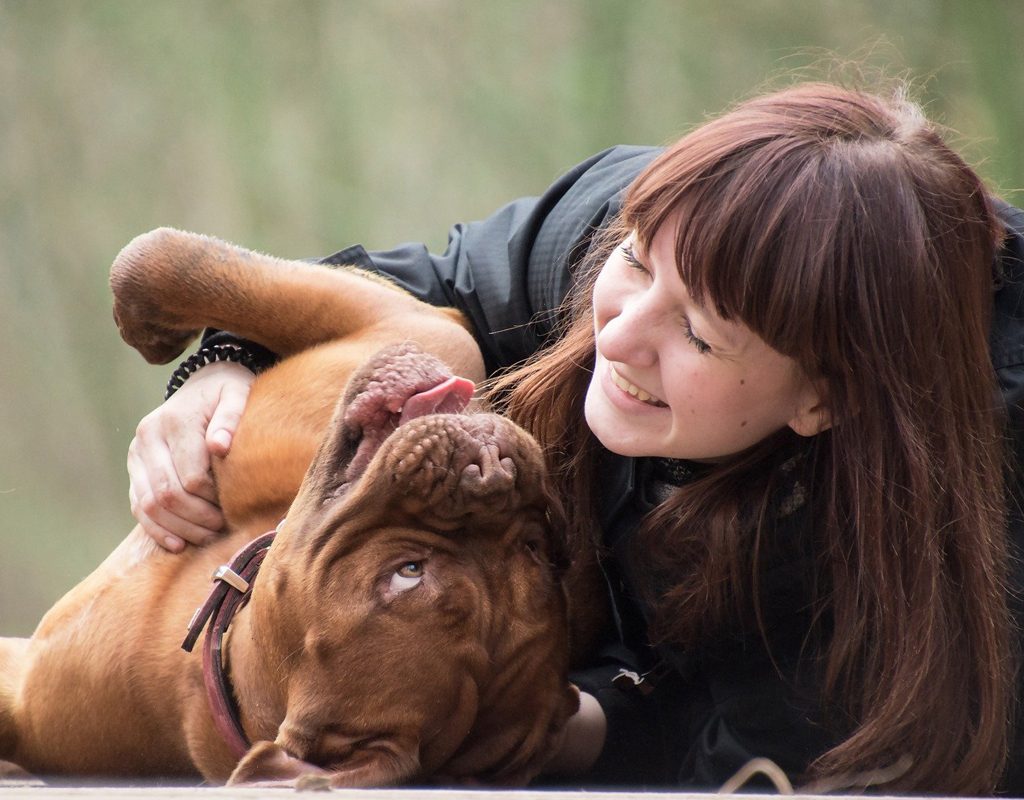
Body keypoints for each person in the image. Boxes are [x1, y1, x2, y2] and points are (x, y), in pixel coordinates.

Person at [125, 82, 1024, 794]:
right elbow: (436, 289)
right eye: (635, 261)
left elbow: (737, 757)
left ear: (826, 401)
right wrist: (227, 361)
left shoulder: (919, 586)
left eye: (701, 336)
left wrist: (547, 726)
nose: (619, 334)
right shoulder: (657, 223)